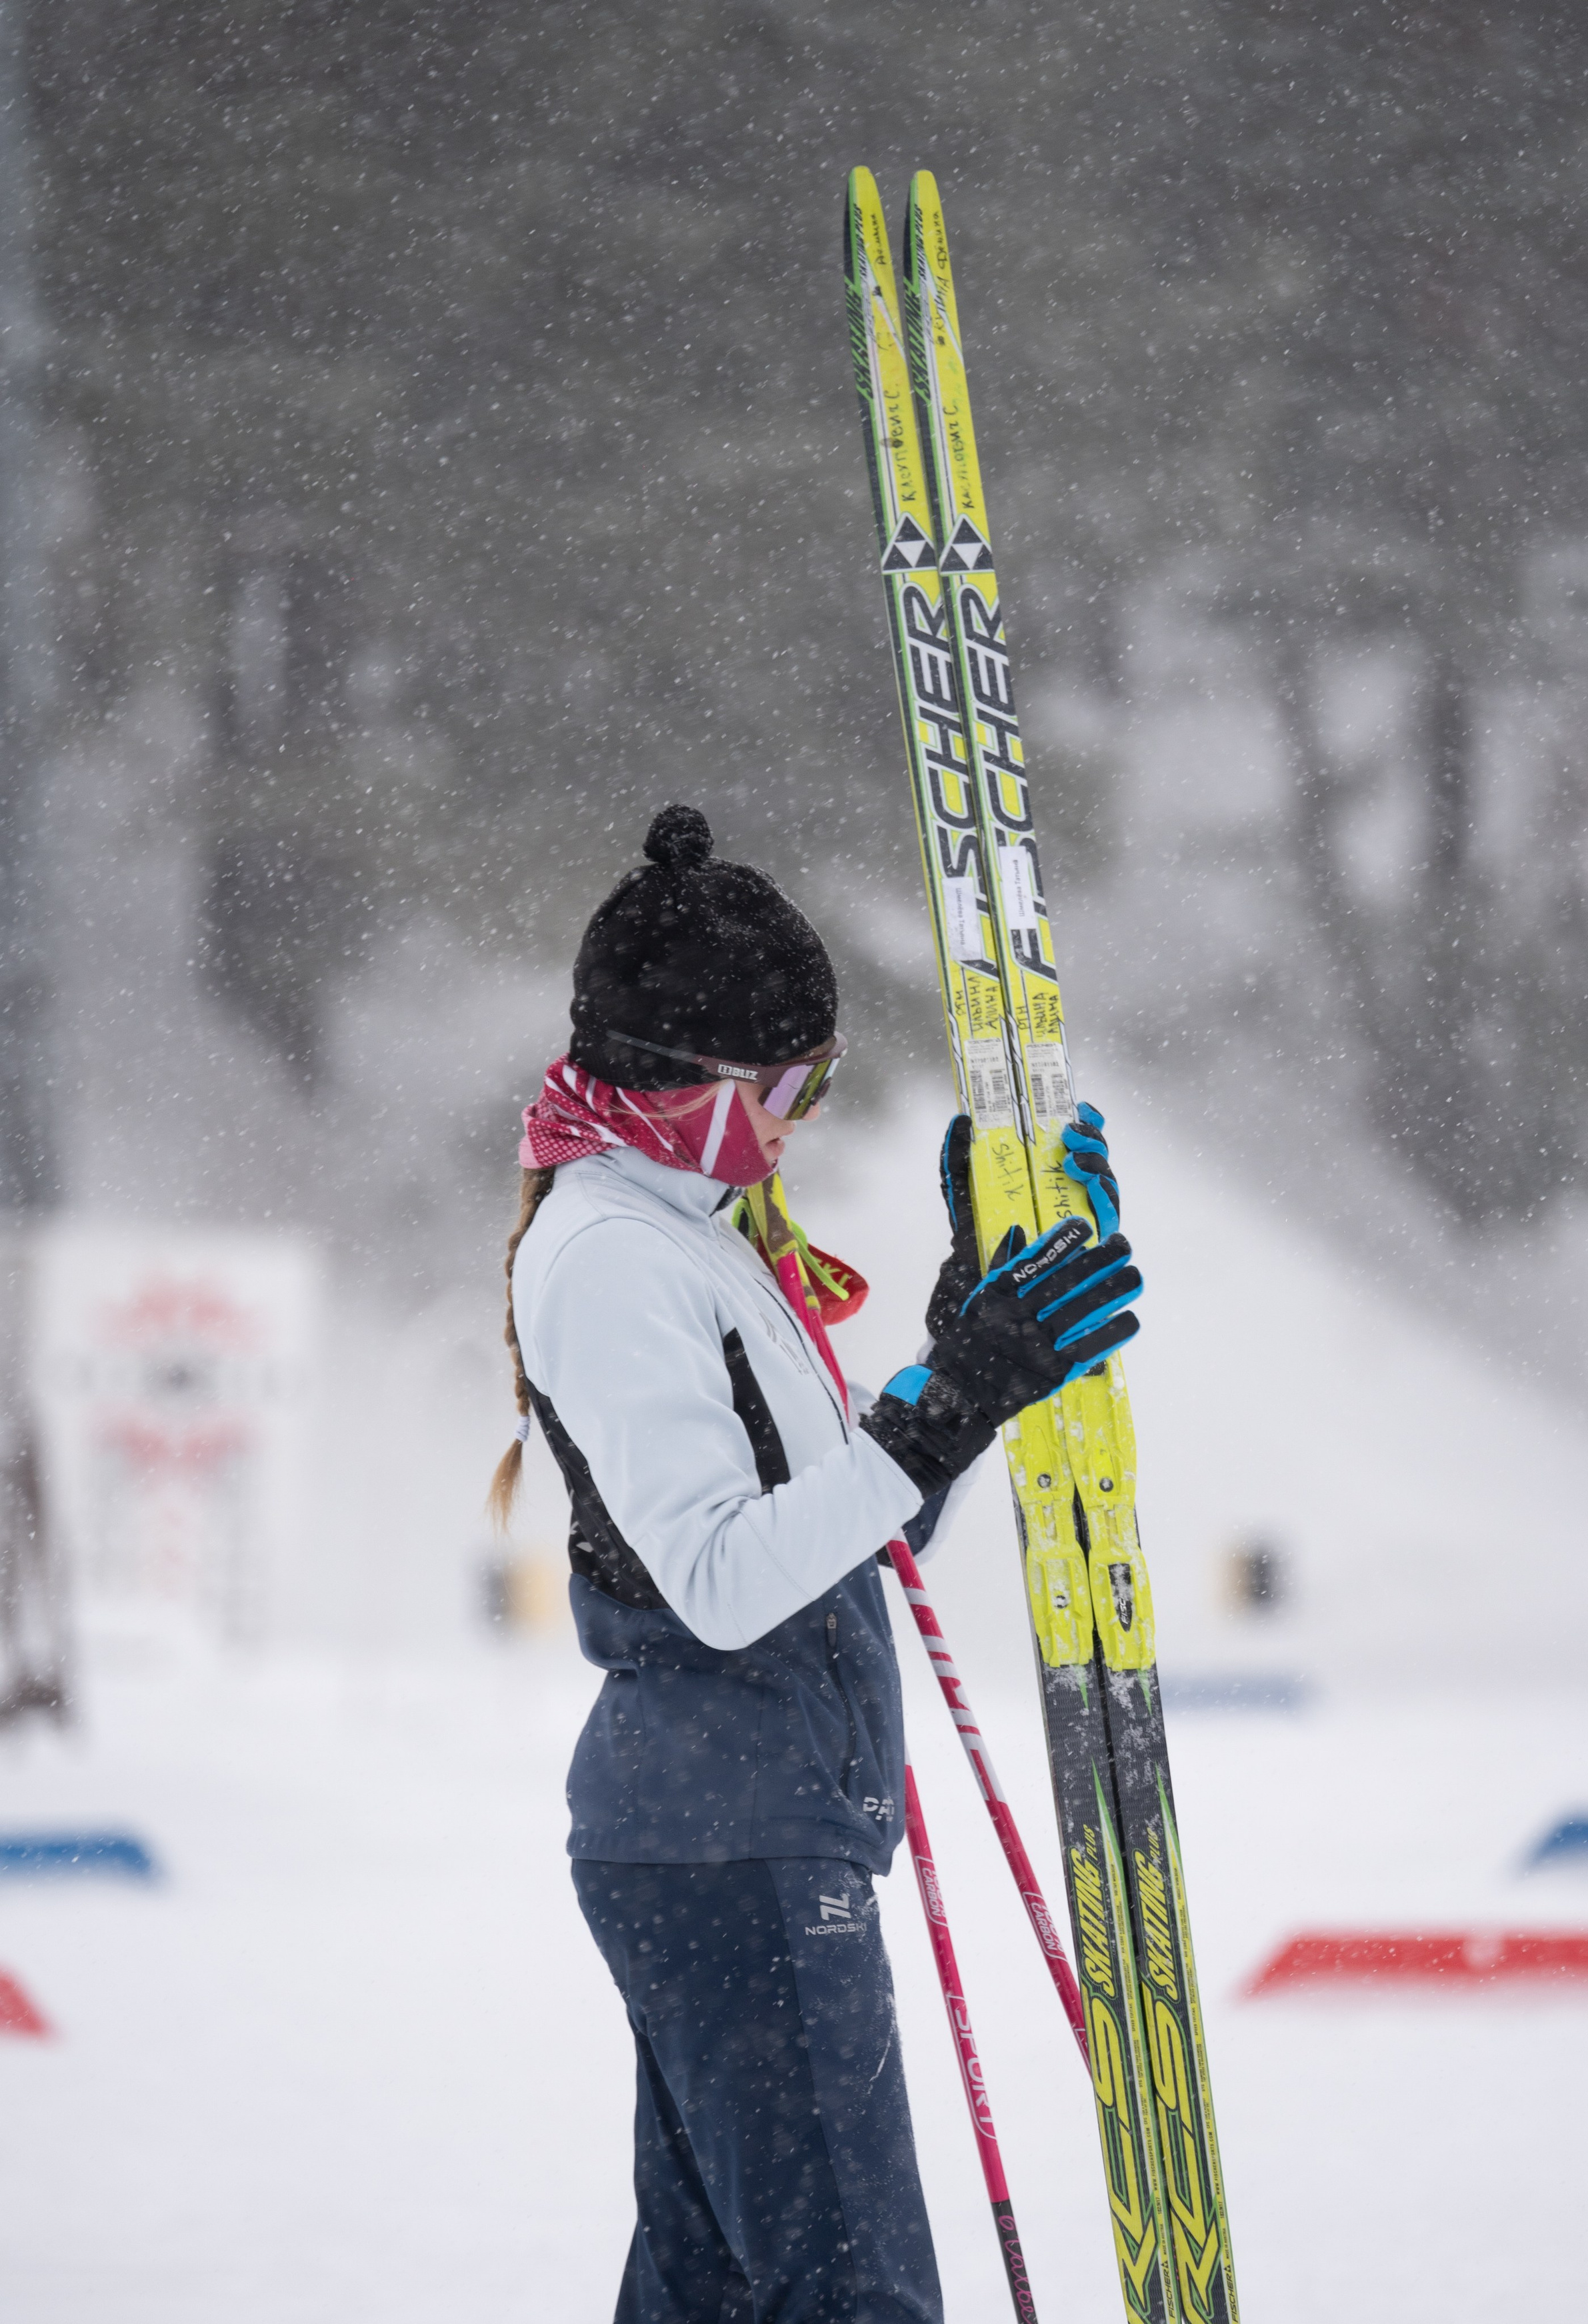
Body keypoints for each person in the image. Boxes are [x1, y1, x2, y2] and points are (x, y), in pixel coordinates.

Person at [490, 803, 1142, 2324]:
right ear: (689, 1083)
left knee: (719, 2288)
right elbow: (723, 1579)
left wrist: (966, 1354)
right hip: (734, 1832)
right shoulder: (610, 1258)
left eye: (821, 1081)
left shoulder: (695, 1234)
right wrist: (947, 1395)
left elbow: (856, 1534)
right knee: (844, 2290)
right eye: (787, 1084)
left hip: (748, 1824)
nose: (801, 1117)